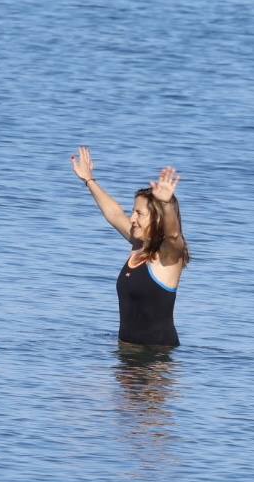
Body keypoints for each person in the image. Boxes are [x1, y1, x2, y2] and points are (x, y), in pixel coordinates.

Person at [70, 146, 190, 348]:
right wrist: (89, 180)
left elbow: (174, 235)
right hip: (126, 354)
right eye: (133, 212)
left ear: (157, 219)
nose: (132, 218)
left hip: (156, 362)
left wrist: (166, 204)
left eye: (139, 214)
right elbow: (115, 214)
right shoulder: (138, 244)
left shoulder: (170, 257)